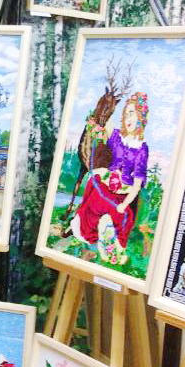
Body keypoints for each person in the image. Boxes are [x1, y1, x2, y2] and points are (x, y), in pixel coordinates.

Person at [68, 92, 150, 266]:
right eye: (126, 113)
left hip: (123, 193)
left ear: (141, 118)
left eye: (132, 113)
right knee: (96, 191)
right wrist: (100, 113)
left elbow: (136, 185)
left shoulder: (142, 149)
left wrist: (124, 203)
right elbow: (103, 122)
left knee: (120, 213)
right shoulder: (116, 136)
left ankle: (110, 242)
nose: (128, 118)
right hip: (105, 185)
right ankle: (99, 231)